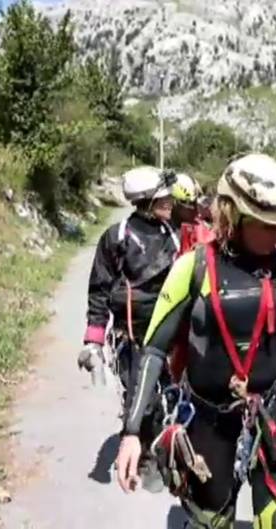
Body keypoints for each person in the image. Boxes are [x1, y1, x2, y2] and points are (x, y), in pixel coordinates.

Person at [114, 153, 276, 529]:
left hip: (274, 415)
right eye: (266, 225)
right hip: (210, 425)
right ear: (233, 215)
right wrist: (132, 433)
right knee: (210, 522)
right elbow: (154, 350)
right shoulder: (191, 269)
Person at [78, 165, 180, 490]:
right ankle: (145, 459)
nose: (171, 201)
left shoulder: (174, 234)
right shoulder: (117, 237)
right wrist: (94, 340)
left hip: (173, 331)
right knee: (140, 397)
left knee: (178, 393)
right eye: (164, 197)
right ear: (147, 201)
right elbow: (99, 289)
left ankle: (174, 451)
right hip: (132, 335)